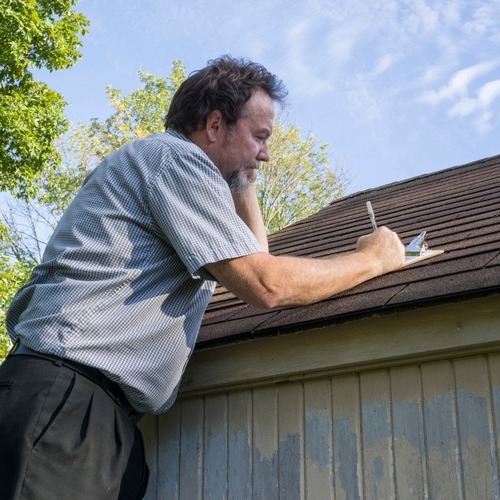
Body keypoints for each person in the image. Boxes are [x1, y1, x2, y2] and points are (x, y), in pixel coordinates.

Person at [0, 55, 405, 499]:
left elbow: (255, 258)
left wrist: (244, 182)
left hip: (97, 415)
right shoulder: (174, 159)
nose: (266, 153)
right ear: (215, 126)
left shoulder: (174, 172)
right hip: (66, 402)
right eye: (260, 137)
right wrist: (374, 260)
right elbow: (267, 284)